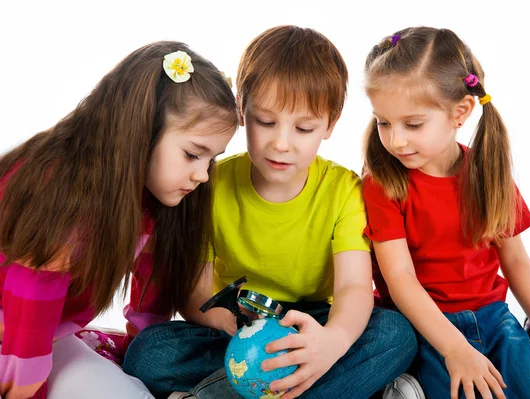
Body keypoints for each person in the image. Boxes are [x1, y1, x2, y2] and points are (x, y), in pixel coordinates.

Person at [123, 25, 417, 399]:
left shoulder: (345, 191)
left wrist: (333, 341)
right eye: (266, 122)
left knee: (395, 334)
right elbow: (195, 293)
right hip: (238, 329)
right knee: (147, 354)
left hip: (314, 324)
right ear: (241, 109)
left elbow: (354, 287)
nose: (281, 144)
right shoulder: (209, 183)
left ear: (330, 124)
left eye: (303, 128)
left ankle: (212, 395)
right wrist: (230, 323)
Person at [361, 26, 530, 399]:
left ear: (461, 112)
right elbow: (401, 279)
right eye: (384, 122)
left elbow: (515, 259)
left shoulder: (486, 174)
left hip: (492, 317)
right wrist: (455, 349)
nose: (396, 139)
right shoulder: (383, 184)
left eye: (413, 124)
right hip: (425, 326)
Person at [0, 41, 238, 399]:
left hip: (41, 336)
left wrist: (137, 354)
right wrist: (26, 391)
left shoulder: (150, 198)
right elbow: (27, 306)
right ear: (142, 131)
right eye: (192, 155)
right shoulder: (68, 194)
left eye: (211, 160)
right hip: (17, 332)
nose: (203, 175)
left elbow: (151, 288)